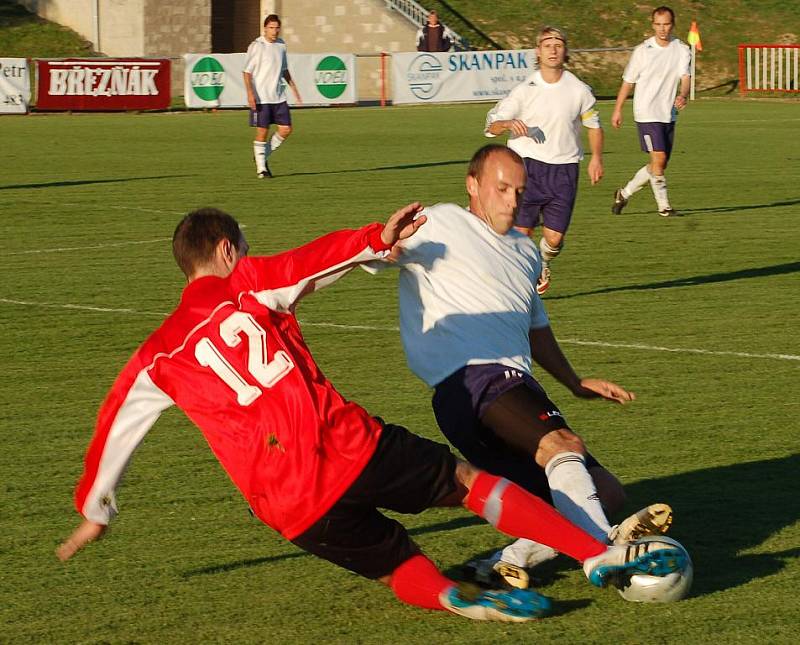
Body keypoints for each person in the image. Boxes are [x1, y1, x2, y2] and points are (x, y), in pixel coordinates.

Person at [56, 205, 685, 623]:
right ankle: (596, 554)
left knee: (395, 564)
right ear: (226, 249)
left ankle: (456, 600)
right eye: (243, 246)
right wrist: (372, 241)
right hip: (342, 445)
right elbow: (309, 262)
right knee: (464, 483)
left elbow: (116, 427)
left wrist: (95, 512)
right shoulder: (245, 281)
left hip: (287, 507)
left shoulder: (152, 359)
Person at [372, 144, 673, 590]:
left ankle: (502, 562)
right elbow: (386, 253)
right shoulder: (442, 222)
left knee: (605, 492)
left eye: (519, 190)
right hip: (473, 380)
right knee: (561, 443)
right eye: (502, 188)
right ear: (473, 185)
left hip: (512, 389)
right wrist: (385, 245)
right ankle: (604, 553)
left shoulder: (525, 251)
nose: (513, 200)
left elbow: (536, 326)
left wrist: (573, 382)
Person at [484, 26, 603, 295]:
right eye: (546, 44)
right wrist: (506, 123)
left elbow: (594, 126)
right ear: (538, 52)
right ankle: (517, 289)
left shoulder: (580, 90)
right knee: (521, 235)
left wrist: (596, 158)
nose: (552, 49)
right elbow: (492, 125)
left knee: (554, 239)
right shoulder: (525, 90)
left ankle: (543, 262)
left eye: (558, 44)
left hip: (565, 170)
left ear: (565, 51)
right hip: (528, 169)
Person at [610, 6, 691, 217]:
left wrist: (683, 95)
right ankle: (664, 207)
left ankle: (624, 193)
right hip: (646, 112)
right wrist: (618, 110)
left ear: (672, 25)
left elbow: (685, 77)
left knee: (658, 163)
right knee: (659, 159)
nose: (662, 29)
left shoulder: (682, 49)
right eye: (658, 24)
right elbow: (628, 83)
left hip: (668, 114)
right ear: (652, 24)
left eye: (666, 24)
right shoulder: (643, 51)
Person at [243, 14, 302, 179]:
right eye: (271, 28)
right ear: (265, 28)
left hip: (278, 96)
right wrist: (250, 94)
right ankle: (262, 169)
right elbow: (246, 72)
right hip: (261, 97)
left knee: (286, 129)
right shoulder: (256, 46)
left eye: (277, 28)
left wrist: (294, 88)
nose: (274, 31)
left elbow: (284, 69)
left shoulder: (281, 45)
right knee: (262, 132)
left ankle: (261, 156)